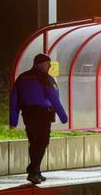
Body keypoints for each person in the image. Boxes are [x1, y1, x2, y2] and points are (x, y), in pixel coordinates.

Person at [8, 53, 68, 184]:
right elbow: (54, 99)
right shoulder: (45, 78)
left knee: (34, 142)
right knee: (42, 142)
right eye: (48, 64)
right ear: (40, 64)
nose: (49, 66)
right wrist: (63, 116)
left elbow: (14, 100)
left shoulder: (21, 78)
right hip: (43, 114)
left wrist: (13, 120)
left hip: (27, 114)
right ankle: (32, 171)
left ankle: (36, 171)